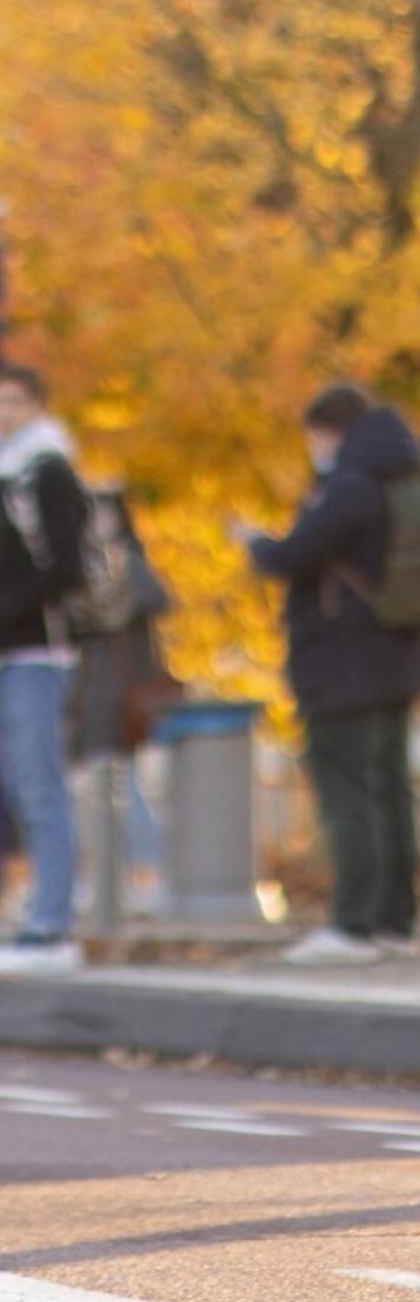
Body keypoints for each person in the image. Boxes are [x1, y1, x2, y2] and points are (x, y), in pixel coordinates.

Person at [240, 385, 420, 965]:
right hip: (397, 658)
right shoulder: (403, 480)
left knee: (349, 792)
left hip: (341, 662)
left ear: (330, 429)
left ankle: (354, 923)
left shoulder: (348, 487)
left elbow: (294, 555)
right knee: (390, 790)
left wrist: (253, 542)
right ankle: (396, 918)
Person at [0, 365, 89, 976]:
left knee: (41, 788)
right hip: (1, 652)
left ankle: (52, 928)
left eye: (13, 401)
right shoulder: (6, 473)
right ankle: (40, 916)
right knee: (26, 792)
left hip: (33, 651)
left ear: (37, 406)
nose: (0, 412)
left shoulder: (45, 470)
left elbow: (63, 567)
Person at [67, 489, 174, 915]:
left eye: (107, 514)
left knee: (125, 784)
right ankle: (103, 877)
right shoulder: (79, 567)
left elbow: (158, 601)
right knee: (92, 786)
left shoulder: (133, 564)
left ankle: (148, 872)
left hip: (123, 694)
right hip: (89, 692)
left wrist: (121, 575)